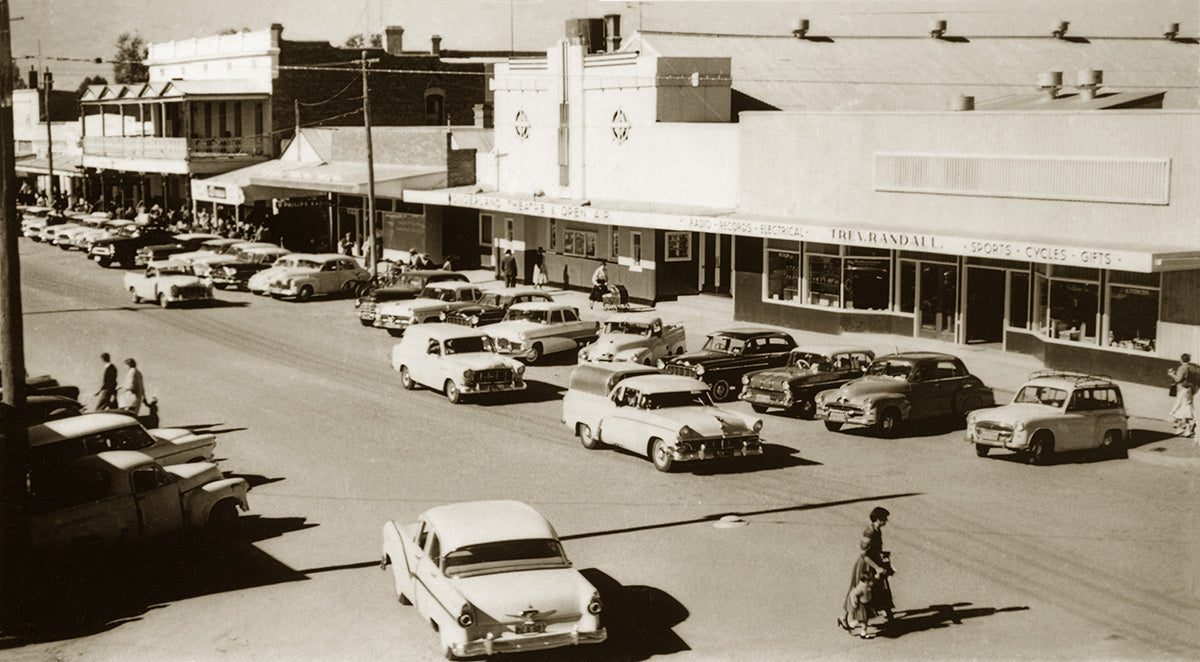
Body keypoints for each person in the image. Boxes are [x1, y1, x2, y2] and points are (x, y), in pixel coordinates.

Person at [840, 507, 894, 636]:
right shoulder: (869, 532)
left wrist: (882, 555)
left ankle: (889, 616)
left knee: (880, 588)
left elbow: (875, 549)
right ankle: (843, 616)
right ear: (878, 519)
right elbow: (864, 554)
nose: (886, 521)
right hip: (866, 566)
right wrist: (877, 567)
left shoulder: (877, 530)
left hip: (875, 563)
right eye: (884, 518)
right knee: (857, 591)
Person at [1168, 353, 1200, 437]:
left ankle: (1184, 427)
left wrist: (1172, 374)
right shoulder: (1192, 368)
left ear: (1181, 359)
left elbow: (1178, 379)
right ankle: (1186, 428)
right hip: (1190, 389)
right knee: (1187, 407)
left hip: (1183, 389)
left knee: (1180, 407)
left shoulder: (1182, 368)